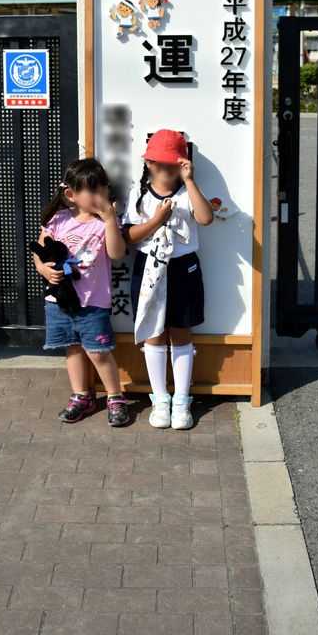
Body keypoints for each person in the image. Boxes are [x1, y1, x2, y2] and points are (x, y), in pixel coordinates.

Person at [122, 130, 214, 430]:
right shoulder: (138, 194)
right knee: (154, 334)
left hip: (183, 269)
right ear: (148, 163)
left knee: (181, 334)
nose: (166, 169)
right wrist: (156, 221)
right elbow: (129, 236)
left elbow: (205, 218)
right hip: (149, 269)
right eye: (159, 163)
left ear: (182, 164)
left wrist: (189, 180)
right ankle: (160, 399)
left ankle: (181, 399)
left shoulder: (188, 191)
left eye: (173, 163)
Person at [34, 158, 129, 427]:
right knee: (73, 351)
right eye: (93, 190)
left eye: (103, 188)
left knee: (99, 352)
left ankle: (115, 397)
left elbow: (117, 253)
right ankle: (81, 397)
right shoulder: (58, 220)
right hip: (58, 302)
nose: (100, 195)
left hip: (93, 303)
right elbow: (39, 252)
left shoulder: (105, 222)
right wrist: (43, 270)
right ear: (71, 195)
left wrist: (110, 220)